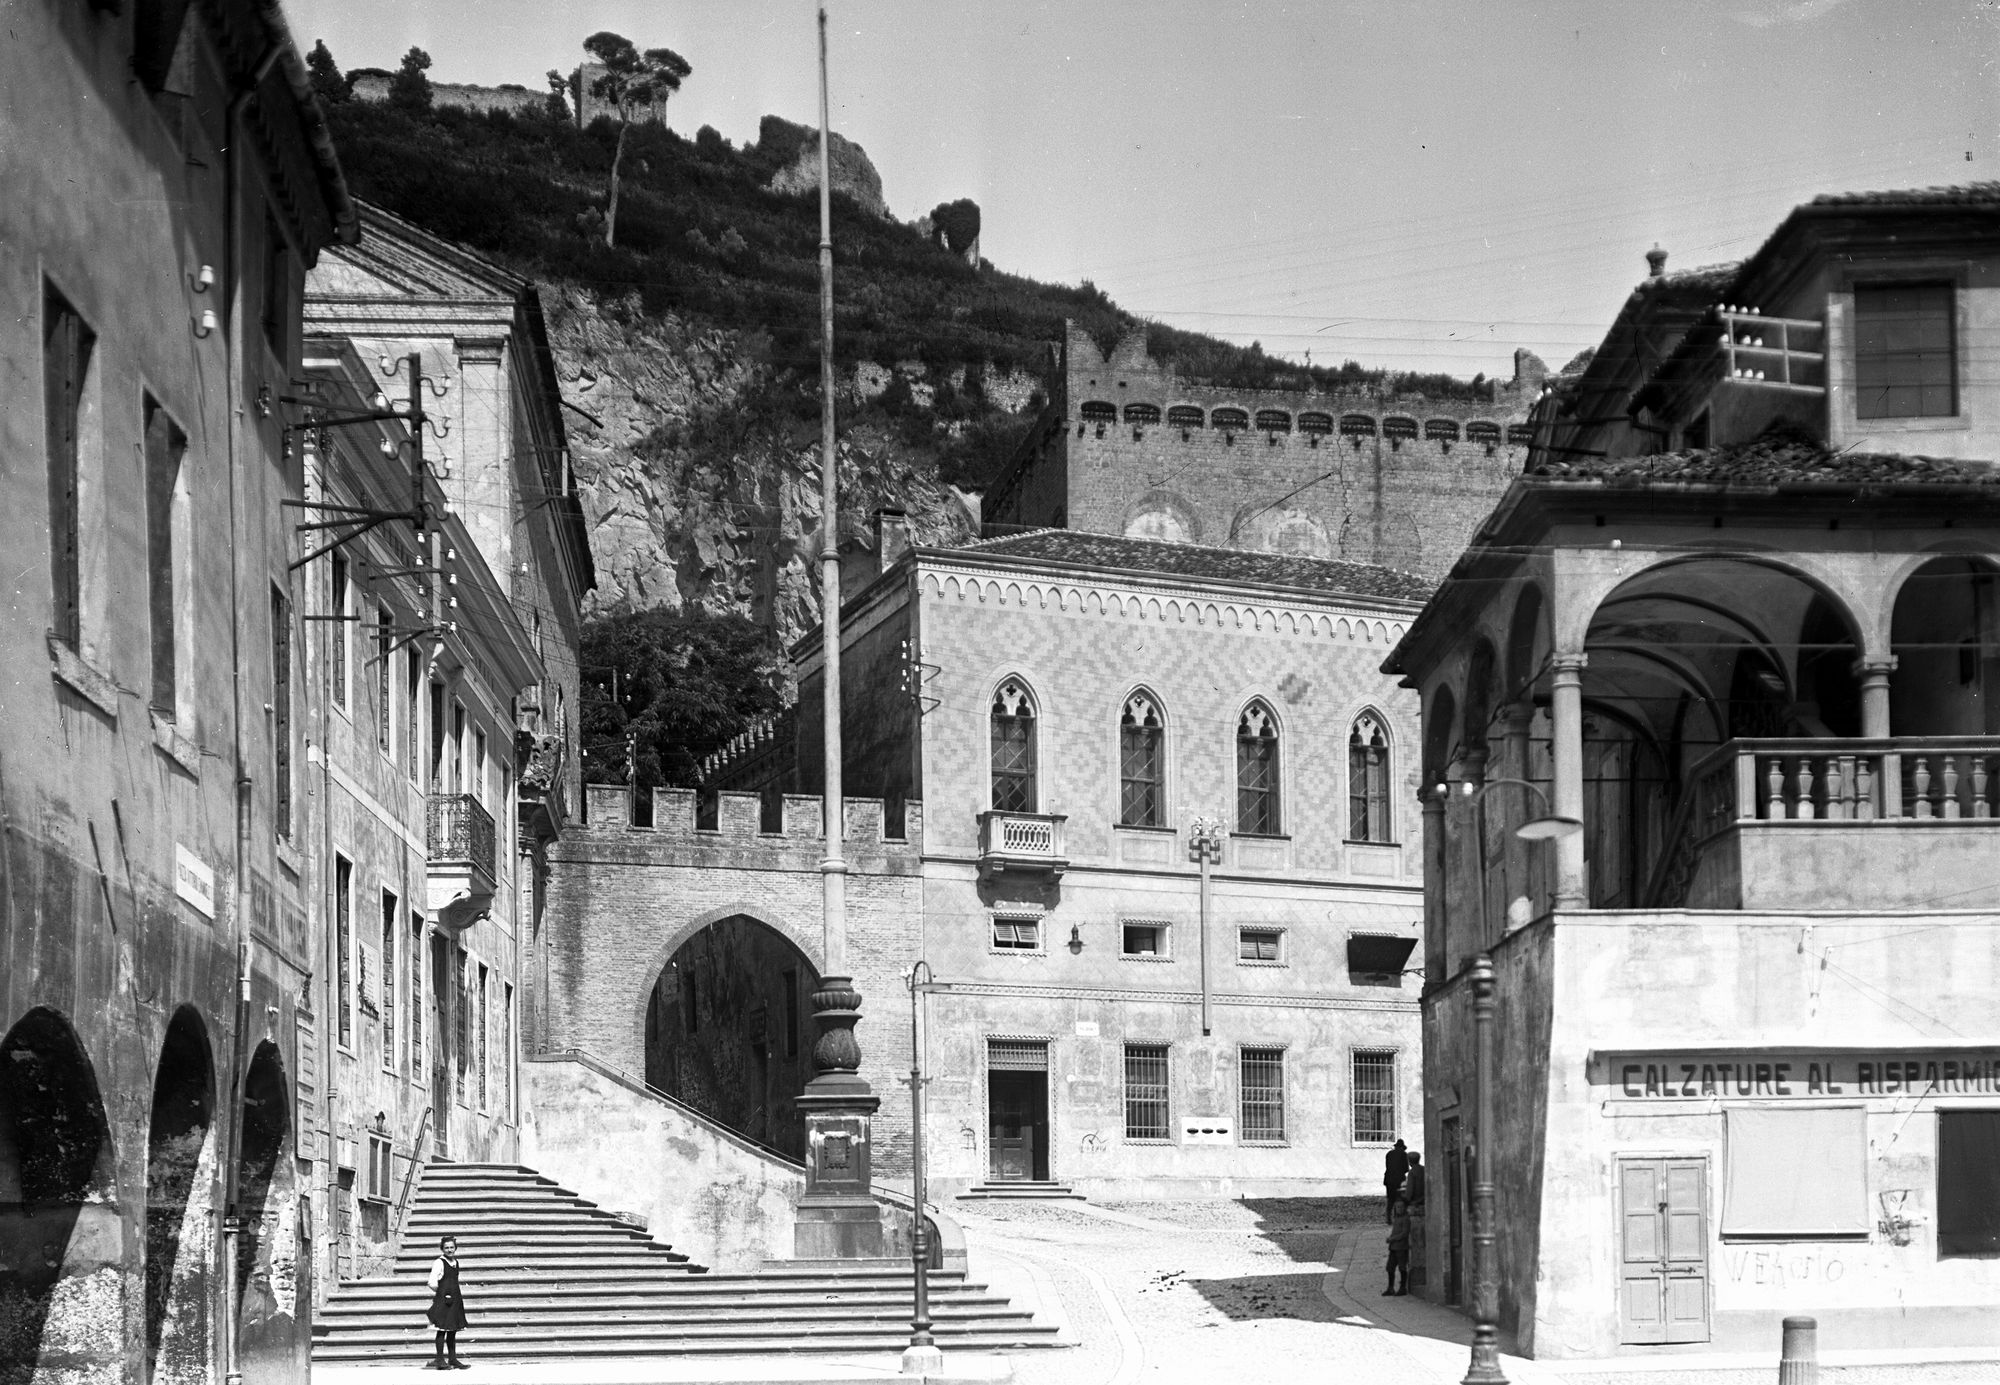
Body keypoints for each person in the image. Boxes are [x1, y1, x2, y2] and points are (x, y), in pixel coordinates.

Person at [425, 1235, 469, 1370]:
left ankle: (452, 1359)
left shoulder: (456, 1262)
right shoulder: (439, 1262)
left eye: (451, 1247)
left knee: (452, 1329)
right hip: (444, 1301)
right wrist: (442, 1293)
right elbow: (431, 1282)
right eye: (446, 1248)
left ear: (455, 1248)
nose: (449, 1250)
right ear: (442, 1249)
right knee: (441, 1329)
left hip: (455, 1300)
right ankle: (439, 1360)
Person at [1385, 1196, 1411, 1295]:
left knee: (1402, 1267)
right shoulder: (1397, 1218)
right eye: (1397, 1207)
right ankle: (1390, 1287)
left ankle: (1403, 1287)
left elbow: (1404, 1233)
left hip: (1401, 1247)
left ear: (1404, 1208)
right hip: (1394, 1247)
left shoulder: (1405, 1219)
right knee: (1390, 1267)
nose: (1399, 1209)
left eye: (1401, 1207)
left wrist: (1393, 1238)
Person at [1383, 1139, 1408, 1223]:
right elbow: (1406, 1169)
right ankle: (1397, 1217)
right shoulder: (1404, 1154)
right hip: (1399, 1179)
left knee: (1390, 1198)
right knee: (1399, 1198)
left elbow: (1387, 1166)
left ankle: (1388, 1218)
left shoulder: (1389, 1154)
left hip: (1389, 1179)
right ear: (1402, 1147)